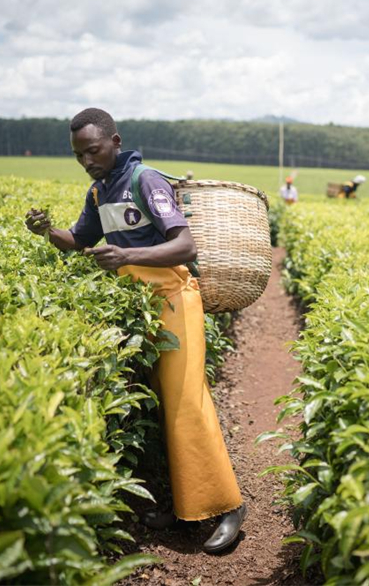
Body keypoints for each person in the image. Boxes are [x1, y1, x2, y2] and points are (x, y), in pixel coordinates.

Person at [24, 108, 247, 554]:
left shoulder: (146, 181)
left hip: (174, 301)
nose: (86, 160)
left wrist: (128, 258)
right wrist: (47, 230)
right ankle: (187, 507)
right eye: (78, 154)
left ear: (115, 140)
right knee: (163, 409)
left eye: (93, 150)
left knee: (187, 403)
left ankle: (227, 505)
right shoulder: (98, 191)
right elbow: (79, 241)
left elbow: (186, 245)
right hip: (141, 308)